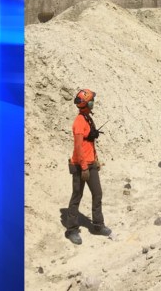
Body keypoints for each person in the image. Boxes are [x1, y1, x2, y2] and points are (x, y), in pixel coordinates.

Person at [64, 88, 111, 244]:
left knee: (97, 194)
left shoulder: (87, 119)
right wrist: (84, 167)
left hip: (90, 164)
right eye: (91, 101)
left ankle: (97, 225)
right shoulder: (79, 122)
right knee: (77, 196)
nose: (93, 103)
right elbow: (78, 148)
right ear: (87, 104)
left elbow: (89, 143)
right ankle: (71, 230)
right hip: (80, 166)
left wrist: (95, 159)